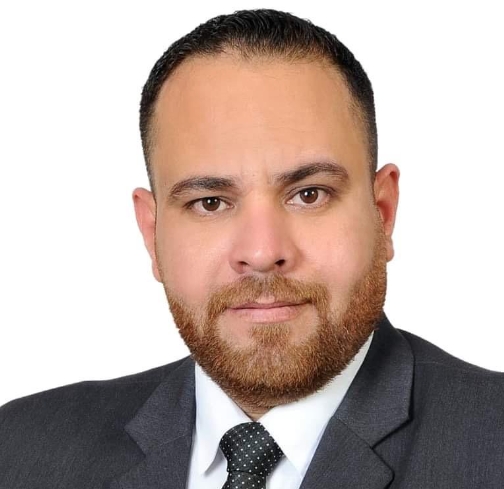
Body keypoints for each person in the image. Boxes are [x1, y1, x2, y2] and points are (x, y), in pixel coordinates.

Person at [1, 8, 503, 489]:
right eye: (210, 202)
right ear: (151, 233)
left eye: (310, 194)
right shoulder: (19, 449)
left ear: (383, 212)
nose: (262, 252)